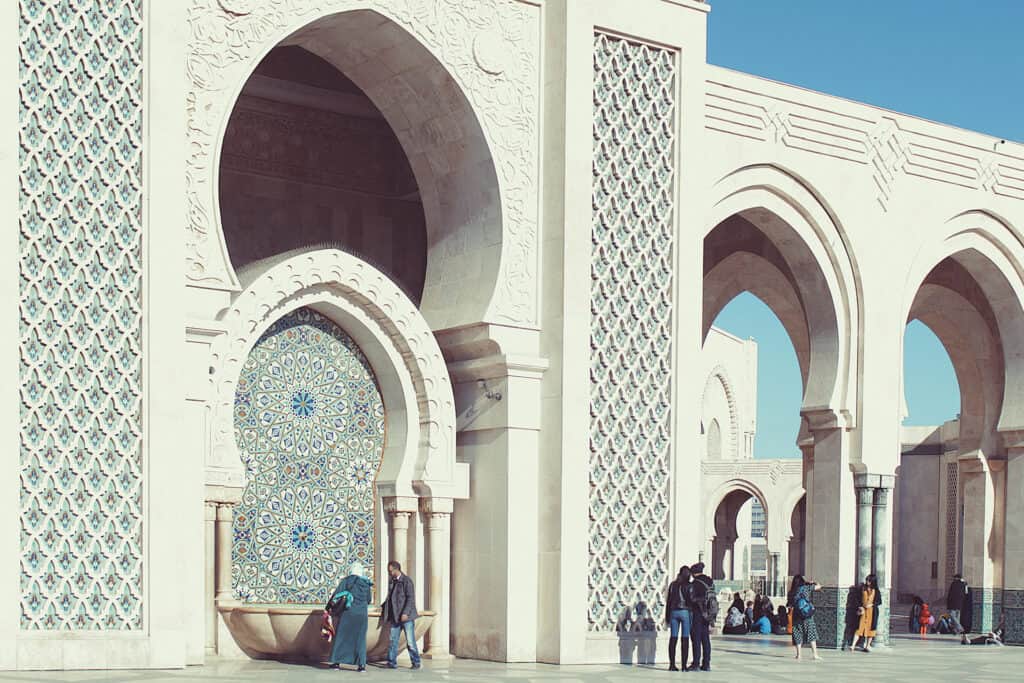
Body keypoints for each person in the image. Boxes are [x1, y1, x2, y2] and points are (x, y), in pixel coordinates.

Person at [327, 562, 373, 672]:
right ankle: (361, 665)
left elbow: (336, 595)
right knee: (360, 639)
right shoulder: (366, 583)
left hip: (348, 613)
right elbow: (368, 600)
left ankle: (336, 662)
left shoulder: (347, 581)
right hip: (361, 615)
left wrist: (328, 608)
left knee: (341, 637)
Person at [382, 560, 421, 670]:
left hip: (406, 617)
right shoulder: (392, 581)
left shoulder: (407, 581)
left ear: (396, 569)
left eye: (390, 571)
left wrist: (405, 613)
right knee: (393, 640)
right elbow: (390, 598)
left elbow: (410, 598)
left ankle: (416, 662)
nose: (389, 573)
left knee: (410, 641)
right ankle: (391, 662)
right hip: (395, 616)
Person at [686, 562, 715, 672]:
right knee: (706, 639)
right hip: (708, 613)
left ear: (693, 573)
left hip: (698, 613)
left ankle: (696, 663)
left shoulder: (695, 583)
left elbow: (692, 598)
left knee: (696, 638)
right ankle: (706, 663)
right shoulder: (709, 581)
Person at [788, 575, 822, 661]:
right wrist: (812, 582)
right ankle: (815, 654)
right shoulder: (806, 588)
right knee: (811, 632)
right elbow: (819, 586)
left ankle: (799, 655)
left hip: (796, 614)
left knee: (797, 633)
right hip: (807, 614)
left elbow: (789, 604)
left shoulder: (791, 591)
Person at [665, 566, 693, 671]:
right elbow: (691, 600)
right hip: (685, 612)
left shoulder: (673, 585)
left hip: (673, 612)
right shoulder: (689, 585)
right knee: (685, 639)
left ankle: (672, 665)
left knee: (673, 638)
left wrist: (667, 616)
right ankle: (684, 666)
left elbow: (669, 601)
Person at [850, 574, 882, 652]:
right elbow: (857, 599)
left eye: (869, 581)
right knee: (859, 628)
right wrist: (860, 607)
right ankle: (853, 645)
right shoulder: (862, 588)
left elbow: (879, 601)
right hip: (863, 611)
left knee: (871, 629)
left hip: (872, 612)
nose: (867, 582)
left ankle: (867, 646)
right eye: (867, 580)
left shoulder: (876, 591)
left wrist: (872, 604)